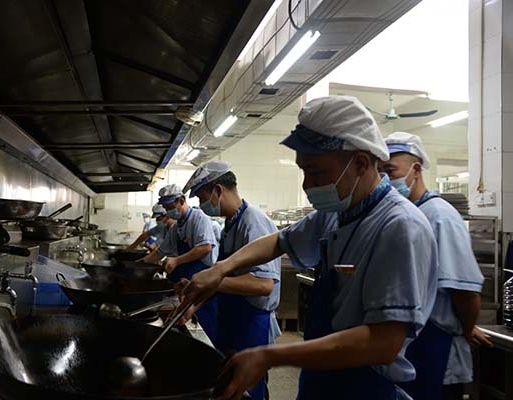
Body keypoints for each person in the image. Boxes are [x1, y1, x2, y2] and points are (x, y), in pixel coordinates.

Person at [178, 95, 439, 400]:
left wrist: (271, 355)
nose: (306, 184)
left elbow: (384, 342)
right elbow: (279, 241)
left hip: (365, 386)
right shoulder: (334, 214)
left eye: (316, 172)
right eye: (303, 171)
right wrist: (220, 270)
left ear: (360, 163)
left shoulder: (399, 227)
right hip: (321, 373)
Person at [382, 132, 491, 400]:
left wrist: (466, 328)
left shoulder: (440, 216)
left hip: (433, 350)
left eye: (390, 171)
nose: (384, 179)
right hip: (404, 347)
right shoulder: (400, 214)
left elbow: (465, 293)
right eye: (380, 172)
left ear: (416, 169)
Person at [183, 160, 282, 400]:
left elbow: (264, 285)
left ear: (218, 190)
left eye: (202, 197)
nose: (201, 205)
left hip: (251, 325)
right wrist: (193, 304)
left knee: (247, 391)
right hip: (231, 322)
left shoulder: (253, 222)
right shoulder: (230, 225)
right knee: (229, 388)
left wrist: (213, 281)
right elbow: (222, 276)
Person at [142, 183, 219, 343]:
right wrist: (139, 263)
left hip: (204, 283)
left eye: (170, 207)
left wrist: (177, 260)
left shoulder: (199, 218)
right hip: (186, 281)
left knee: (205, 327)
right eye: (166, 208)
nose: (168, 211)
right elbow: (160, 252)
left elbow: (205, 248)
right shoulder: (176, 228)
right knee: (185, 320)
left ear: (182, 201)